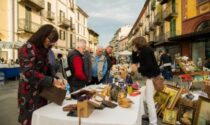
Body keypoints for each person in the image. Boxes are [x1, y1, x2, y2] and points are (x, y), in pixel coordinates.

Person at [18, 24, 65, 125]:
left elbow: (46, 69)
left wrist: (57, 79)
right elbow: (28, 72)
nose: (50, 44)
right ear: (42, 36)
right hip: (29, 93)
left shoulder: (44, 50)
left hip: (42, 92)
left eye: (52, 42)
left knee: (40, 120)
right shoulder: (27, 48)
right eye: (49, 41)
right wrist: (52, 81)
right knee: (30, 120)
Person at [132, 36, 160, 125]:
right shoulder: (143, 51)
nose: (134, 46)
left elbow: (149, 65)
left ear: (138, 43)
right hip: (149, 77)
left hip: (152, 78)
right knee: (145, 97)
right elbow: (135, 60)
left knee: (149, 100)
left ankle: (153, 122)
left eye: (134, 44)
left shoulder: (146, 51)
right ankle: (151, 114)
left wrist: (139, 69)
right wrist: (133, 52)